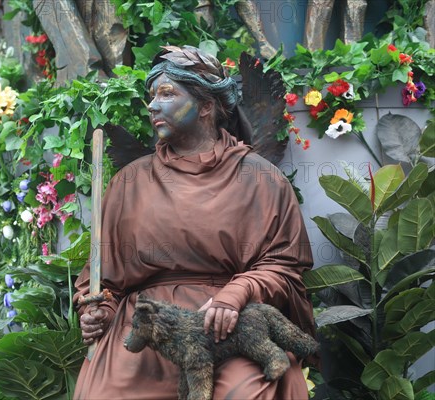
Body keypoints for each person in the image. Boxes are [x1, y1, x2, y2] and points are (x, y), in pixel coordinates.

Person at [73, 45, 316, 399]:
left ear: (206, 106)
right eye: (151, 95)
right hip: (146, 327)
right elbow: (104, 278)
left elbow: (285, 269)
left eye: (167, 94)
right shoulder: (128, 182)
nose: (153, 105)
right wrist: (100, 309)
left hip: (228, 328)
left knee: (247, 393)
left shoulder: (261, 179)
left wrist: (237, 294)